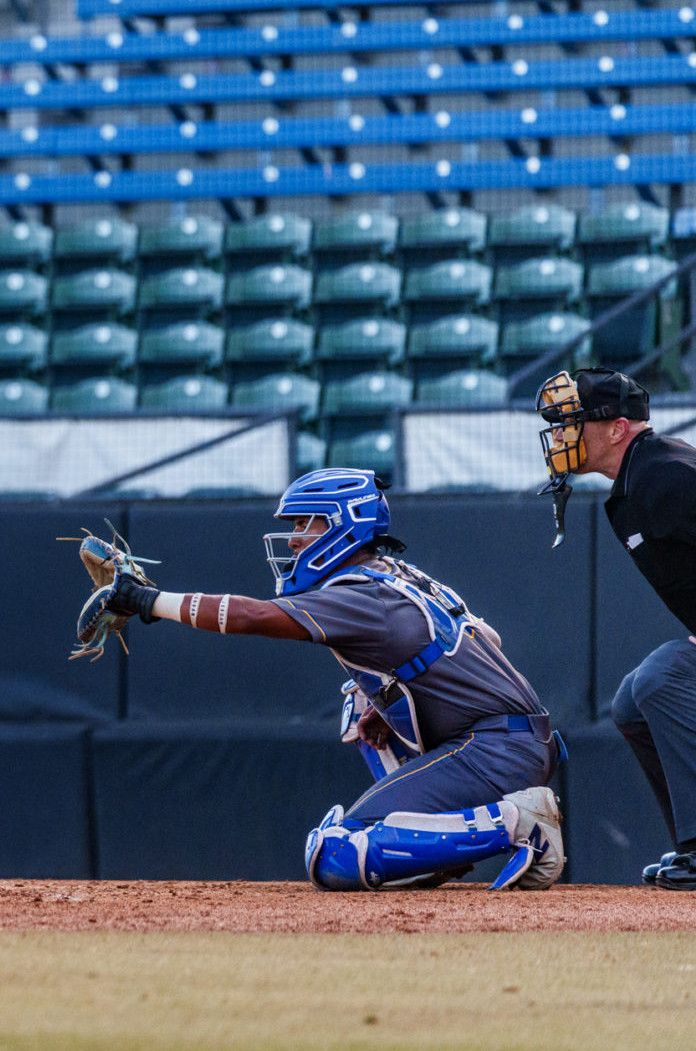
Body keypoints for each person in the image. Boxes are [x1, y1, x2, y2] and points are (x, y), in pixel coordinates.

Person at [89, 468, 565, 890]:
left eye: (304, 523)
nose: (293, 539)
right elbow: (489, 638)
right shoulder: (395, 574)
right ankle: (437, 849)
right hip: (513, 742)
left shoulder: (361, 592)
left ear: (342, 524)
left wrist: (147, 601)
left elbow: (252, 616)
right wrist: (385, 700)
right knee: (359, 700)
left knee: (334, 854)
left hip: (493, 752)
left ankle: (519, 824)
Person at [536, 367, 696, 887]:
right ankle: (691, 845)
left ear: (617, 427)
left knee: (661, 679)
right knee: (630, 702)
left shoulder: (664, 474)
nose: (561, 436)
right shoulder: (639, 476)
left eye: (572, 423)